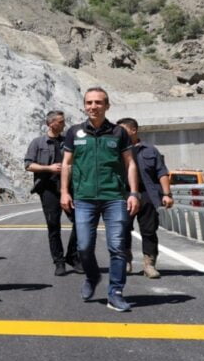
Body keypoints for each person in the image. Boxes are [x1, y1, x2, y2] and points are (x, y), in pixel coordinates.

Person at [61, 87, 140, 313]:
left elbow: (130, 163)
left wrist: (134, 192)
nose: (93, 106)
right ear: (84, 106)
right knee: (84, 247)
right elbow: (66, 163)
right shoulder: (74, 132)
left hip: (114, 197)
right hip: (84, 198)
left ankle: (115, 292)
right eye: (89, 102)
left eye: (98, 102)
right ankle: (93, 276)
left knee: (117, 248)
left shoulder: (119, 133)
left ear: (107, 105)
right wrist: (64, 192)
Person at [116, 118, 173, 279]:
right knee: (122, 228)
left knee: (149, 231)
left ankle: (149, 264)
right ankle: (126, 261)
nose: (119, 134)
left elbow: (162, 172)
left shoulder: (150, 150)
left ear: (133, 130)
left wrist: (167, 195)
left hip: (148, 194)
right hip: (124, 194)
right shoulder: (116, 150)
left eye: (122, 130)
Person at [24, 110, 79, 276]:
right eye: (61, 121)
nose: (64, 124)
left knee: (81, 221)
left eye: (64, 121)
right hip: (48, 189)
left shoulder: (68, 141)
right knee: (53, 225)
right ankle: (59, 262)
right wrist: (49, 168)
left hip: (70, 188)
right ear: (51, 123)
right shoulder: (37, 143)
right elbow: (28, 165)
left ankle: (72, 256)